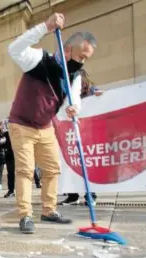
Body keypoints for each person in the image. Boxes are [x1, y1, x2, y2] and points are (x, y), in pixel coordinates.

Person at [7, 12, 96, 234]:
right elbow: (14, 50)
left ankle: (49, 210)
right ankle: (25, 215)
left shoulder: (73, 76)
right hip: (21, 123)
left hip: (45, 126)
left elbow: (75, 99)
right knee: (26, 170)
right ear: (67, 50)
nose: (82, 62)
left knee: (52, 169)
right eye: (81, 56)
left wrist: (75, 108)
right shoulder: (39, 60)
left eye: (86, 58)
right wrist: (45, 27)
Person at [59, 69, 103, 206]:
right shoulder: (67, 94)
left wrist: (99, 96)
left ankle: (90, 196)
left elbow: (102, 101)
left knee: (86, 167)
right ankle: (73, 195)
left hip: (86, 135)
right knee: (71, 166)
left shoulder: (91, 92)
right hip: (71, 135)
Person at [0, 121, 15, 197]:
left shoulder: (15, 132)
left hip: (17, 154)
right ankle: (11, 190)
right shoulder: (5, 134)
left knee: (19, 173)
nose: (2, 127)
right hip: (9, 155)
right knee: (10, 173)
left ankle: (16, 190)